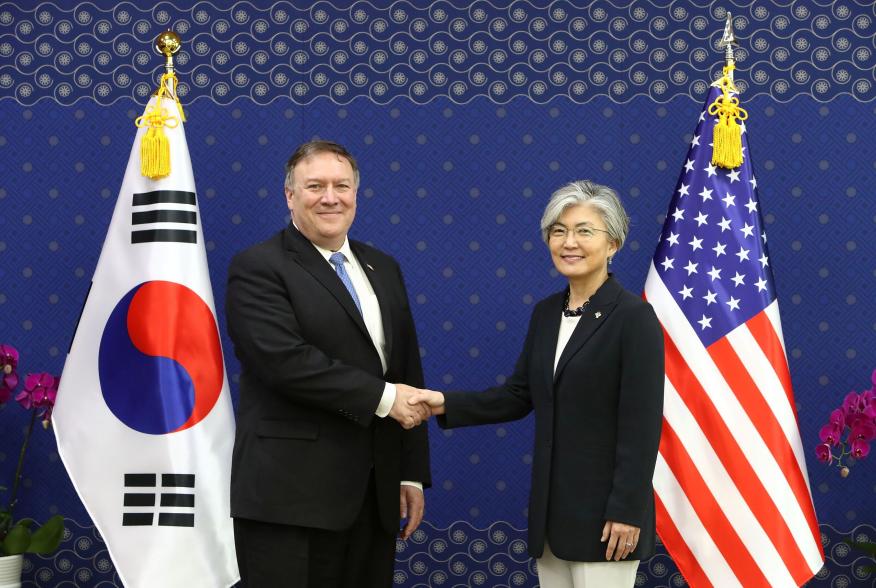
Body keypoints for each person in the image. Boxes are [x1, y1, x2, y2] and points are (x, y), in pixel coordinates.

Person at [413, 180, 664, 588]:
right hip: (551, 516)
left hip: (607, 520)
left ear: (613, 244)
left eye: (584, 231)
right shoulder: (546, 313)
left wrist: (627, 510)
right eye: (558, 231)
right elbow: (518, 395)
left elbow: (642, 424)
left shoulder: (633, 319)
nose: (569, 242)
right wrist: (441, 403)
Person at [225, 140, 431, 587]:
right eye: (314, 186)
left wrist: (410, 473)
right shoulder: (258, 267)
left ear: (357, 193)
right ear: (290, 196)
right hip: (290, 501)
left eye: (341, 185)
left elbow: (405, 372)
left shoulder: (383, 267)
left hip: (373, 499)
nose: (330, 197)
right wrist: (384, 398)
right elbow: (285, 362)